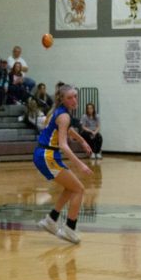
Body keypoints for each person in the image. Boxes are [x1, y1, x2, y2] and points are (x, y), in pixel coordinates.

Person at [36, 84, 94, 244]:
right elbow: (63, 144)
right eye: (70, 97)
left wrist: (82, 140)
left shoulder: (60, 112)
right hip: (48, 155)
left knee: (71, 188)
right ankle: (69, 228)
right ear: (62, 99)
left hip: (46, 154)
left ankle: (51, 220)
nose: (74, 100)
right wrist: (80, 164)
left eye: (75, 96)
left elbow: (66, 129)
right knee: (79, 189)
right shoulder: (64, 116)